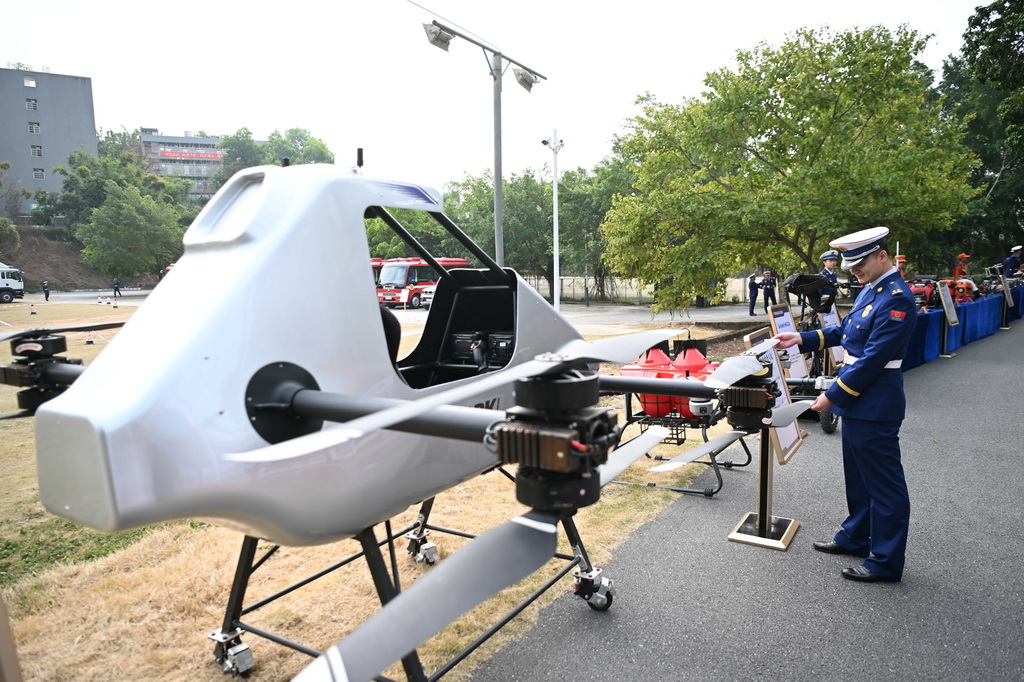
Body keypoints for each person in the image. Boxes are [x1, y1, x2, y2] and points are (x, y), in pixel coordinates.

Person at [774, 226, 917, 583]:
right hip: (860, 401)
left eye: (860, 262)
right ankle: (856, 537)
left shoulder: (896, 297)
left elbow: (871, 359)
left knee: (884, 485)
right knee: (859, 478)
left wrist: (831, 396)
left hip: (875, 401)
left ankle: (885, 561)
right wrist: (802, 338)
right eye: (850, 265)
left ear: (882, 255)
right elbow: (849, 330)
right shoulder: (873, 289)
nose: (854, 270)